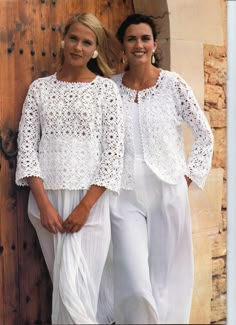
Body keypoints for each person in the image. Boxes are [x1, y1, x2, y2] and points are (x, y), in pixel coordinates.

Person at [15, 12, 124, 324]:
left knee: (81, 294)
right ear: (63, 40)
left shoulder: (106, 90)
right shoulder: (39, 89)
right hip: (46, 205)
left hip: (91, 205)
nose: (78, 47)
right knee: (63, 289)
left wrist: (86, 207)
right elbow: (27, 147)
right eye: (74, 39)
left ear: (95, 50)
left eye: (86, 42)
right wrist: (44, 204)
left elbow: (113, 153)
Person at [110, 13, 214, 324]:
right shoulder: (109, 89)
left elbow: (204, 134)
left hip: (167, 189)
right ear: (123, 47)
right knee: (133, 279)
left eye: (144, 38)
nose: (138, 44)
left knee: (168, 279)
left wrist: (186, 178)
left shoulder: (173, 84)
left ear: (155, 44)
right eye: (131, 39)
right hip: (122, 194)